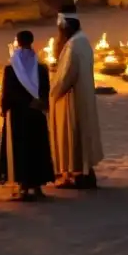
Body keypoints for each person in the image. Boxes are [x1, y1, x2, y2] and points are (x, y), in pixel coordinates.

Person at [0, 30, 55, 200]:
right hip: (36, 112)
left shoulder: (12, 67)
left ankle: (22, 186)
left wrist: (4, 107)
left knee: (20, 147)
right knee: (37, 146)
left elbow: (7, 92)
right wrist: (41, 103)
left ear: (18, 42)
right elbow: (45, 90)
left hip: (18, 114)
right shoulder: (40, 66)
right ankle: (37, 186)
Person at [49, 14, 104, 189]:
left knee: (73, 135)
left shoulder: (73, 45)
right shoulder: (83, 40)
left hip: (72, 98)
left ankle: (77, 175)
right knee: (81, 135)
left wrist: (51, 93)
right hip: (83, 94)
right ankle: (84, 173)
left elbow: (66, 77)